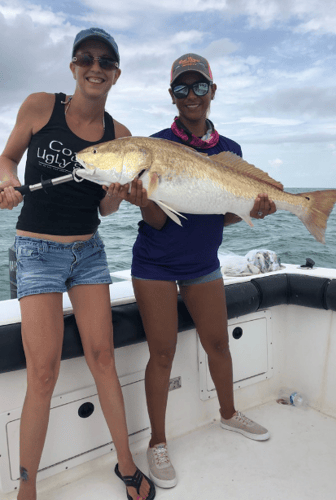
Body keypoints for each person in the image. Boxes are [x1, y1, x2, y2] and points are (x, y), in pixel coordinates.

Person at [0, 28, 155, 500]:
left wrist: (116, 197)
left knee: (103, 358)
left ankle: (126, 465)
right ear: (73, 66)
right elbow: (7, 158)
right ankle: (27, 488)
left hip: (89, 252)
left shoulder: (120, 137)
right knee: (42, 373)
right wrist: (6, 182)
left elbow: (107, 210)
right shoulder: (40, 106)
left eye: (106, 61)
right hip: (36, 251)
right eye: (86, 57)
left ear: (116, 75)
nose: (96, 66)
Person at [125, 53, 277, 489]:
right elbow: (156, 220)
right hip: (154, 263)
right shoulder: (152, 146)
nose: (190, 96)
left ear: (212, 91)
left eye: (198, 86)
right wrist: (143, 200)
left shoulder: (232, 152)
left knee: (218, 344)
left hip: (203, 264)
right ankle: (157, 441)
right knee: (163, 353)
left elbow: (223, 215)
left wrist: (253, 212)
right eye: (181, 88)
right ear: (171, 96)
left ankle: (228, 414)